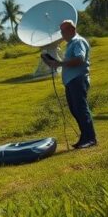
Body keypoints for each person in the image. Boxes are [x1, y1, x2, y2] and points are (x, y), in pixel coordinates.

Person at [45, 19, 97, 149]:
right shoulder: (71, 44)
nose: (62, 34)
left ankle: (90, 138)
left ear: (72, 30)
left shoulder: (78, 41)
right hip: (71, 81)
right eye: (61, 31)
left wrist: (60, 63)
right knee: (75, 110)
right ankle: (84, 137)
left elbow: (80, 59)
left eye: (63, 31)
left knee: (81, 109)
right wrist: (55, 63)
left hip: (78, 80)